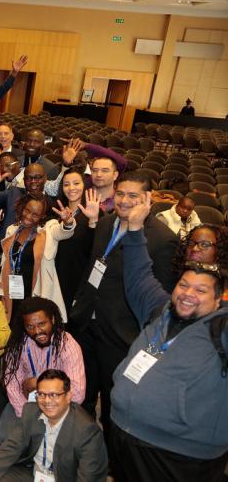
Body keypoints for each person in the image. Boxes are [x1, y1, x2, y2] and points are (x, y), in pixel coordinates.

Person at [111, 193, 228, 482]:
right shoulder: (161, 309)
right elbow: (139, 277)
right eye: (184, 285)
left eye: (201, 290)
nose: (188, 294)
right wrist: (135, 229)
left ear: (218, 300)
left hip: (180, 456)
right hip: (125, 439)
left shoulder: (221, 327)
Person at [69, 171, 179, 441]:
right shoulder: (106, 223)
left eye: (133, 196)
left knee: (112, 399)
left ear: (148, 199)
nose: (125, 200)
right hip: (86, 323)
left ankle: (111, 454)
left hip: (121, 334)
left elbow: (159, 299)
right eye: (120, 193)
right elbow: (92, 266)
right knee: (82, 391)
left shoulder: (162, 239)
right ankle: (81, 445)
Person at [0, 370, 109, 482]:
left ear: (68, 396)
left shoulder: (87, 431)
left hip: (64, 478)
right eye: (41, 394)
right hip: (34, 474)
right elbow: (9, 448)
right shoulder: (31, 411)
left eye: (54, 395)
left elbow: (88, 477)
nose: (47, 401)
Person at [0, 296, 86, 441]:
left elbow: (77, 393)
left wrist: (36, 383)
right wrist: (27, 415)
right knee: (5, 436)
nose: (37, 331)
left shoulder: (68, 345)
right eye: (30, 327)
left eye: (42, 324)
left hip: (59, 404)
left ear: (52, 320)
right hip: (27, 401)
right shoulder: (18, 343)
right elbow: (12, 385)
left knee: (65, 441)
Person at [0, 193, 76, 322]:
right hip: (13, 292)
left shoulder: (49, 229)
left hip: (37, 292)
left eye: (35, 214)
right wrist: (1, 292)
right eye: (27, 210)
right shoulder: (12, 230)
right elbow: (4, 264)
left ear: (43, 216)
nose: (28, 216)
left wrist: (67, 222)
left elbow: (63, 232)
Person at [54, 169, 103, 312]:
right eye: (66, 184)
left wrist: (93, 221)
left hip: (80, 278)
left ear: (84, 185)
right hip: (56, 276)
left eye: (76, 183)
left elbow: (97, 249)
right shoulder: (57, 212)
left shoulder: (94, 213)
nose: (71, 188)